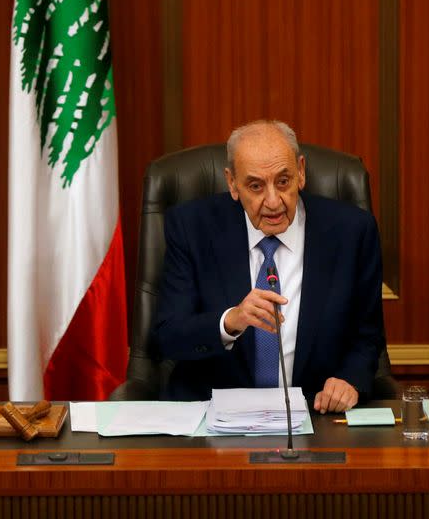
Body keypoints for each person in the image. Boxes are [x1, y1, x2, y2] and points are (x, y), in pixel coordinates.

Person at [152, 120, 385, 413]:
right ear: (232, 184)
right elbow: (169, 336)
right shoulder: (192, 228)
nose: (273, 201)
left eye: (283, 181)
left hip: (315, 413)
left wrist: (349, 380)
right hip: (213, 416)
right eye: (255, 186)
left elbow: (368, 333)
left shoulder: (352, 231)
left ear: (301, 172)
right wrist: (231, 321)